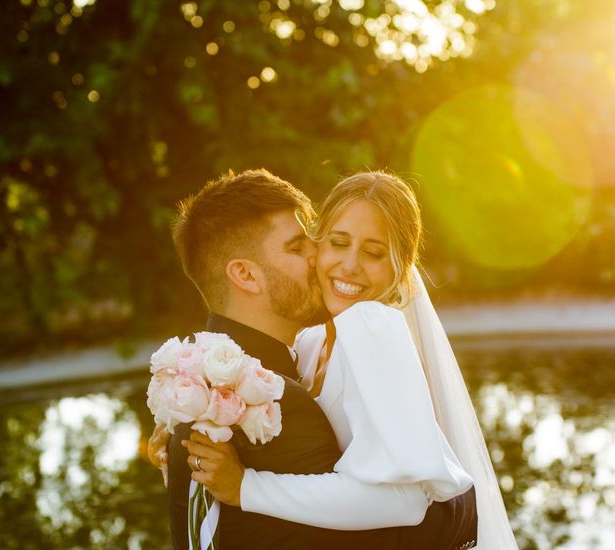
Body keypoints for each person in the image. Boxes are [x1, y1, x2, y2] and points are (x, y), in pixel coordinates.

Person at [182, 171, 517, 549]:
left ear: (398, 269)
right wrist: (195, 414)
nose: (349, 266)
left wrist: (246, 487)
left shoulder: (371, 324)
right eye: (337, 243)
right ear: (318, 244)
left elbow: (405, 503)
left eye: (373, 253)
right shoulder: (310, 343)